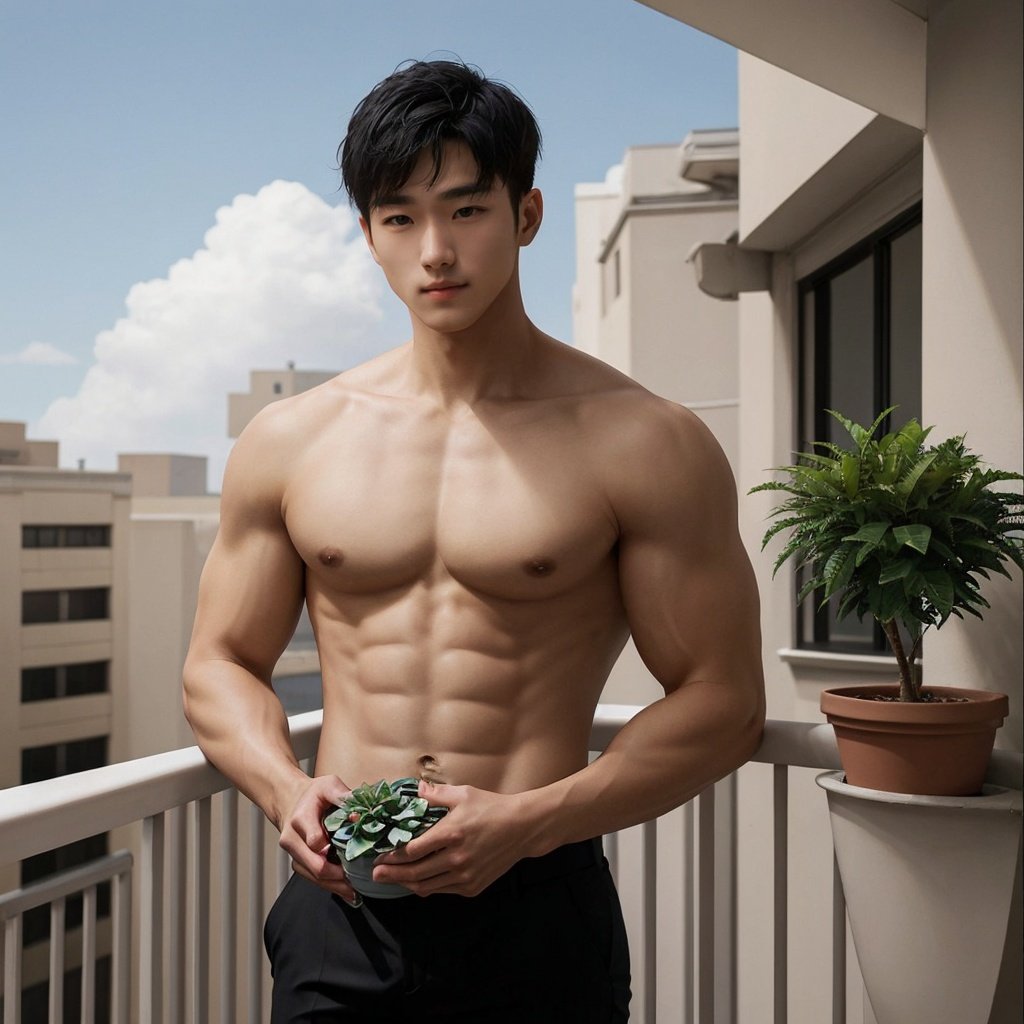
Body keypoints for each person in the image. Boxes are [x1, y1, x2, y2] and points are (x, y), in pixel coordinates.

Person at [183, 59, 765, 1023]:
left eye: (467, 210)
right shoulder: (294, 440)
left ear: (527, 215)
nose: (436, 251)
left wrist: (531, 822)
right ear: (368, 236)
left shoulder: (643, 440)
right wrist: (284, 789)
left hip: (535, 905)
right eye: (401, 217)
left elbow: (724, 700)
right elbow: (218, 663)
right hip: (342, 911)